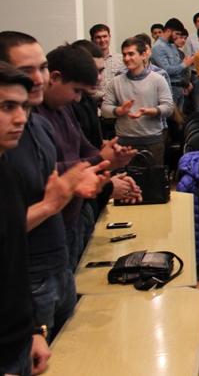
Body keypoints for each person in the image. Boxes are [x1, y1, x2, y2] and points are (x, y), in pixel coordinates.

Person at [2, 32, 107, 340]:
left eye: (43, 68)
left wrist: (76, 186)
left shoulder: (39, 124)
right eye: (26, 71)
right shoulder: (7, 141)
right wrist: (52, 204)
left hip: (58, 263)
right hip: (30, 277)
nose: (39, 79)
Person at [38, 45, 135, 270]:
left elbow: (85, 147)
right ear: (55, 78)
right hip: (52, 223)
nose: (77, 98)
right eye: (76, 90)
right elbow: (46, 170)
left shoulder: (65, 107)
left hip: (76, 212)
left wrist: (109, 160)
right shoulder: (35, 115)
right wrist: (100, 161)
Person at [0, 62, 52, 376]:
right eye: (7, 107)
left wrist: (32, 330)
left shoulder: (9, 175)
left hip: (18, 346)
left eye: (23, 107)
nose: (20, 118)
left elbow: (15, 269)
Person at [101, 36, 174, 167]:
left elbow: (168, 108)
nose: (127, 58)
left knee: (152, 178)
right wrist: (120, 110)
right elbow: (105, 109)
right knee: (125, 178)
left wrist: (148, 111)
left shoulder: (158, 79)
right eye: (124, 54)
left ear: (143, 55)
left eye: (131, 54)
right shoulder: (116, 81)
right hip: (124, 141)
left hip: (151, 140)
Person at [150, 18, 195, 113]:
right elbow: (166, 70)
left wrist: (185, 83)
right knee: (171, 119)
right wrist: (185, 64)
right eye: (177, 34)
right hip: (168, 88)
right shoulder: (158, 47)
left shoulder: (173, 46)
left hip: (179, 87)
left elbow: (178, 66)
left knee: (180, 118)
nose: (178, 37)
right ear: (168, 31)